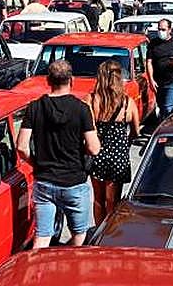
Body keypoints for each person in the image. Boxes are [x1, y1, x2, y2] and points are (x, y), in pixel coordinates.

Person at [16, 59, 100, 248]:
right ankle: (69, 262)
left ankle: (38, 266)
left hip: (44, 181)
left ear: (48, 80)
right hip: (74, 182)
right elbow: (94, 148)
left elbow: (21, 147)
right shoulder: (81, 109)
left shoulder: (35, 107)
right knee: (79, 234)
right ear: (71, 80)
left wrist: (36, 162)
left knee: (42, 236)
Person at [87, 59, 140, 221]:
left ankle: (98, 229)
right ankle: (110, 231)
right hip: (118, 157)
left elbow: (88, 130)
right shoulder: (127, 102)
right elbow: (136, 131)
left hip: (97, 155)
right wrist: (126, 142)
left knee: (98, 200)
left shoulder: (91, 100)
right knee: (113, 201)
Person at [146, 18, 173, 120]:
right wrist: (151, 80)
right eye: (159, 29)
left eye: (163, 29)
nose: (161, 32)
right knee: (161, 107)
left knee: (168, 108)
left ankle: (166, 125)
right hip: (158, 83)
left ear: (169, 30)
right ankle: (163, 124)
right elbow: (149, 62)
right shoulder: (153, 44)